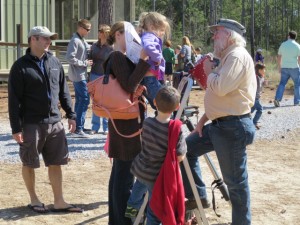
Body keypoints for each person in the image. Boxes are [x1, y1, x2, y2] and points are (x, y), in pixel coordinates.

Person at [181, 19, 256, 225]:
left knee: (236, 185)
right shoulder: (229, 57)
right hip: (221, 125)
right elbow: (223, 96)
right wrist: (205, 118)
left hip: (232, 126)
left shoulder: (237, 56)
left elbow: (220, 88)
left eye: (217, 32)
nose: (213, 36)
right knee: (184, 151)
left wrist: (208, 69)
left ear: (229, 36)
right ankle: (199, 196)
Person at [8, 26, 82, 213]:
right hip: (31, 123)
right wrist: (16, 128)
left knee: (56, 162)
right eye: (45, 38)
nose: (49, 42)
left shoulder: (55, 62)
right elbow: (13, 99)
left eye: (50, 38)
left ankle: (59, 201)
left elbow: (64, 91)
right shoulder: (20, 66)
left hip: (55, 123)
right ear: (33, 39)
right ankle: (34, 199)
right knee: (29, 162)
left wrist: (71, 115)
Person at [104, 21, 150, 225]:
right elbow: (130, 84)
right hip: (125, 125)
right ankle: (122, 222)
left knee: (120, 175)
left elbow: (129, 86)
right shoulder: (116, 56)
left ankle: (116, 220)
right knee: (124, 177)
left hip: (123, 123)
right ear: (119, 35)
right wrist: (143, 61)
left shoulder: (117, 57)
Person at [130, 86, 187, 224]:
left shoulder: (148, 122)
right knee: (154, 210)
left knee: (135, 195)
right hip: (156, 176)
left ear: (154, 102)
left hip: (141, 169)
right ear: (177, 107)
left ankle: (131, 214)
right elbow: (180, 155)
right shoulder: (175, 129)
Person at [66, 19, 93, 137]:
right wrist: (84, 63)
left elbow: (88, 49)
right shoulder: (75, 41)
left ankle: (77, 126)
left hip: (80, 75)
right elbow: (69, 58)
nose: (88, 32)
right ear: (81, 28)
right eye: (87, 29)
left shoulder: (81, 39)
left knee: (80, 100)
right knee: (84, 100)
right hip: (78, 75)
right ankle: (78, 129)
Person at [138, 12, 171, 109]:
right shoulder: (149, 37)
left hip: (152, 77)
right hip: (150, 78)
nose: (163, 33)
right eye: (161, 30)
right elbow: (148, 46)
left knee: (161, 101)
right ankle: (165, 121)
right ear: (152, 27)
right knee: (162, 104)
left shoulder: (147, 36)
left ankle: (162, 119)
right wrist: (158, 57)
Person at [89, 24, 113, 135]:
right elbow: (89, 57)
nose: (98, 32)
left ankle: (106, 127)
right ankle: (95, 126)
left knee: (106, 102)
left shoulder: (111, 47)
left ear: (105, 33)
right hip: (94, 75)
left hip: (106, 76)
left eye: (100, 31)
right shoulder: (94, 45)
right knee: (95, 101)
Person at [274, 30, 300, 107]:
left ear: (288, 36)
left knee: (282, 83)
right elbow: (299, 58)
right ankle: (296, 101)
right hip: (294, 67)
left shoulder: (283, 45)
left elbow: (279, 57)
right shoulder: (298, 46)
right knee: (297, 84)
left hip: (284, 67)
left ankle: (277, 99)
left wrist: (279, 67)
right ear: (295, 37)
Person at [251, 63, 266, 129]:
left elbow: (261, 85)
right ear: (259, 70)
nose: (265, 70)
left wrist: (264, 82)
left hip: (257, 97)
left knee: (250, 110)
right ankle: (254, 122)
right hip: (254, 97)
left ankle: (243, 119)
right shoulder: (256, 77)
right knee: (260, 109)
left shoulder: (261, 77)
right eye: (264, 69)